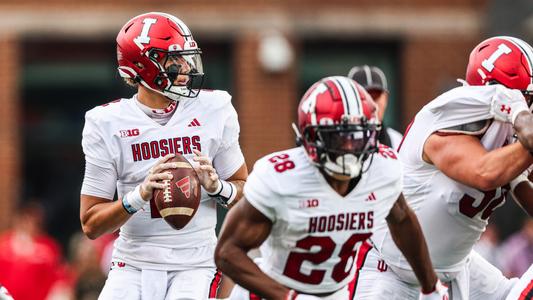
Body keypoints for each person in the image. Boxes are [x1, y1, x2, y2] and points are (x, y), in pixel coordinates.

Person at [214, 76, 448, 299]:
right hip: (270, 292)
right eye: (338, 138)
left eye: (357, 136)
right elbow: (227, 253)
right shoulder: (280, 178)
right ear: (310, 136)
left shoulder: (382, 168)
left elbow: (402, 219)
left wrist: (430, 286)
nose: (349, 148)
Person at [79, 12, 248, 299]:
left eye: (185, 58)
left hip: (195, 263)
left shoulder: (215, 108)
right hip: (132, 263)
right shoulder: (106, 122)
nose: (185, 67)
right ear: (143, 66)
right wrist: (138, 196)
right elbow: (91, 224)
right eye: (174, 60)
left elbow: (247, 194)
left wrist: (218, 187)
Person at [355, 36, 533, 300]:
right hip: (392, 273)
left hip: (456, 267)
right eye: (528, 97)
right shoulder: (442, 122)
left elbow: (523, 188)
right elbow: (485, 172)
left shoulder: (505, 138)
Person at [348, 65, 403, 149]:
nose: (372, 104)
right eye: (364, 97)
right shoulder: (344, 142)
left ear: (386, 98)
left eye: (375, 96)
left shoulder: (397, 141)